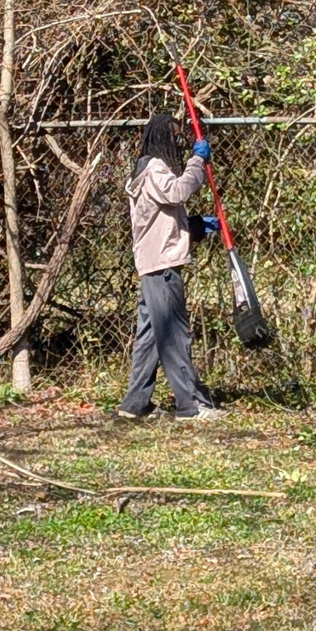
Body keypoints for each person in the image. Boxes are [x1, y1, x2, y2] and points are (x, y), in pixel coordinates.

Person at [118, 112, 227, 422]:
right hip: (162, 265)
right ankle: (189, 406)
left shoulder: (145, 171)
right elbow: (177, 192)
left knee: (152, 334)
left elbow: (156, 222)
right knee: (175, 333)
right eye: (176, 138)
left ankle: (135, 403)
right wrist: (197, 161)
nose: (179, 143)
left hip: (154, 260)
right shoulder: (154, 169)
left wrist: (194, 226)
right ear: (164, 138)